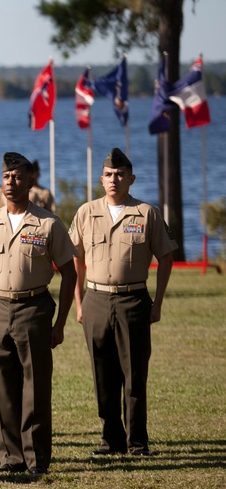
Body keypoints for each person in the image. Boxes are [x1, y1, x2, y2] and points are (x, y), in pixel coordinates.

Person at [0, 152, 76, 476]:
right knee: (4, 387)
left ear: (30, 180)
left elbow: (70, 273)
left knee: (35, 387)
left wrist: (59, 324)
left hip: (34, 307)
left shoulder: (48, 223)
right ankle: (10, 458)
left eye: (17, 177)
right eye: (6, 177)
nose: (11, 183)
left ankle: (36, 459)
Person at [68, 148, 175, 457]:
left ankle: (137, 442)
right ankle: (110, 440)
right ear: (101, 179)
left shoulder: (146, 213)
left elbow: (166, 257)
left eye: (120, 175)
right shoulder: (86, 213)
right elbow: (75, 260)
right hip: (96, 300)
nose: (114, 179)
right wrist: (79, 303)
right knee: (102, 374)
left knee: (134, 374)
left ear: (131, 178)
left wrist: (157, 303)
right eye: (109, 175)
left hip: (133, 299)